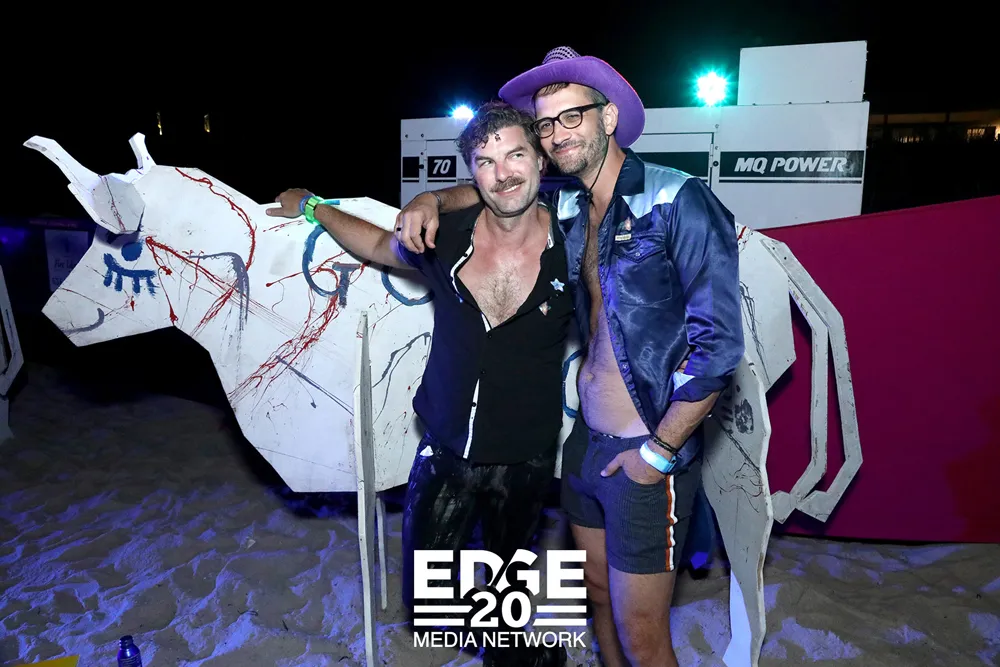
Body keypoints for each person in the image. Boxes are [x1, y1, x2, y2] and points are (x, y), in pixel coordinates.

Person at [396, 47, 745, 667]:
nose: (558, 133)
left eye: (572, 116)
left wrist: (659, 453)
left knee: (644, 634)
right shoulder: (568, 209)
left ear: (608, 117)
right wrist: (429, 199)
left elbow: (718, 346)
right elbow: (494, 190)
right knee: (599, 603)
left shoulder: (677, 198)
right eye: (547, 123)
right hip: (584, 447)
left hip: (646, 449)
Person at [268, 100, 571, 667]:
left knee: (508, 598)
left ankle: (520, 654)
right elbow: (375, 245)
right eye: (486, 162)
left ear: (540, 161)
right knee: (428, 604)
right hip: (447, 446)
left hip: (527, 456)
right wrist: (313, 206)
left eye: (515, 155)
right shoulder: (446, 237)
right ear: (472, 174)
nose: (503, 173)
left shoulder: (575, 248)